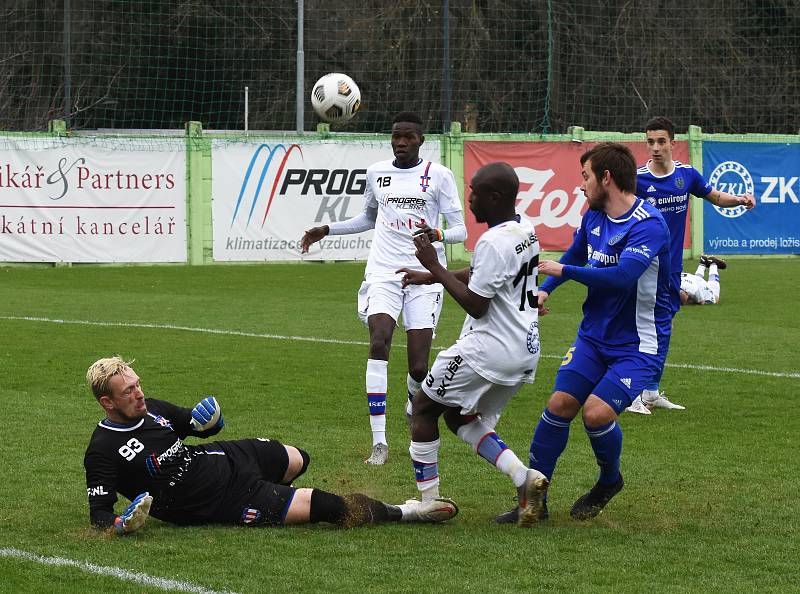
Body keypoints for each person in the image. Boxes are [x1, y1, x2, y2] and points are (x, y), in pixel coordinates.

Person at [83, 356, 458, 534]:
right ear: (107, 402)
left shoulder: (154, 410)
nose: (139, 394)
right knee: (323, 506)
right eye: (128, 391)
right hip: (220, 500)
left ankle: (280, 498)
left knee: (297, 458)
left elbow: (197, 428)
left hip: (224, 457)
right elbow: (99, 513)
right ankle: (409, 512)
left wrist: (210, 422)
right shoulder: (101, 450)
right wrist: (121, 524)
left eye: (137, 384)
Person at [511, 142, 672, 521]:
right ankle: (535, 502)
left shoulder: (648, 225)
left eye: (585, 177)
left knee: (596, 414)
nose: (580, 185)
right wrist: (544, 291)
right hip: (593, 337)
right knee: (559, 405)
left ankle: (609, 480)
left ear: (606, 178)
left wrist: (560, 272)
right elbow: (576, 255)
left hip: (637, 345)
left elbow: (621, 277)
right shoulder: (593, 215)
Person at [300, 112, 466, 465]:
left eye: (408, 136)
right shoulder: (377, 173)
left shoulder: (439, 176)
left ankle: (412, 402)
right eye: (396, 136)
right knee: (379, 341)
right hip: (383, 272)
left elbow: (460, 231)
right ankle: (380, 443)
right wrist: (326, 229)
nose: (401, 142)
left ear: (421, 140)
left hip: (425, 274)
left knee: (419, 368)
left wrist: (436, 234)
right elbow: (368, 219)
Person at [398, 162, 549, 527]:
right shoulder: (524, 228)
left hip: (489, 348)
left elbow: (475, 304)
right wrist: (427, 275)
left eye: (475, 192)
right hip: (524, 349)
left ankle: (429, 502)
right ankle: (523, 478)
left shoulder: (493, 241)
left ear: (494, 197)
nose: (470, 199)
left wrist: (434, 266)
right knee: (458, 416)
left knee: (422, 408)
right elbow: (487, 272)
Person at [626, 116, 755, 414]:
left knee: (664, 327)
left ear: (673, 143)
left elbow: (715, 196)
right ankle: (630, 393)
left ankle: (650, 392)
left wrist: (740, 199)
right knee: (642, 329)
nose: (655, 148)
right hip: (644, 268)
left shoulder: (687, 175)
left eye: (661, 141)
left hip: (671, 269)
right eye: (650, 142)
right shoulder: (636, 179)